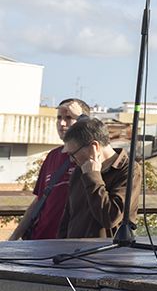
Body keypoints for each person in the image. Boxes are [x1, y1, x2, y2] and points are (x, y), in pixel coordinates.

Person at [8, 99, 89, 241]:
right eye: (59, 118)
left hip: (71, 243)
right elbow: (39, 200)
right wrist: (14, 237)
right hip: (41, 240)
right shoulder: (52, 156)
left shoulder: (90, 156)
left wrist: (83, 118)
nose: (62, 124)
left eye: (69, 118)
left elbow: (102, 140)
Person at [58, 116, 140, 239]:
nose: (71, 160)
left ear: (94, 146)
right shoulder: (79, 171)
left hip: (108, 253)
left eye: (73, 154)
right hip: (72, 250)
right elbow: (69, 217)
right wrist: (59, 246)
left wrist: (92, 175)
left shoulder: (129, 170)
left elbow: (110, 218)